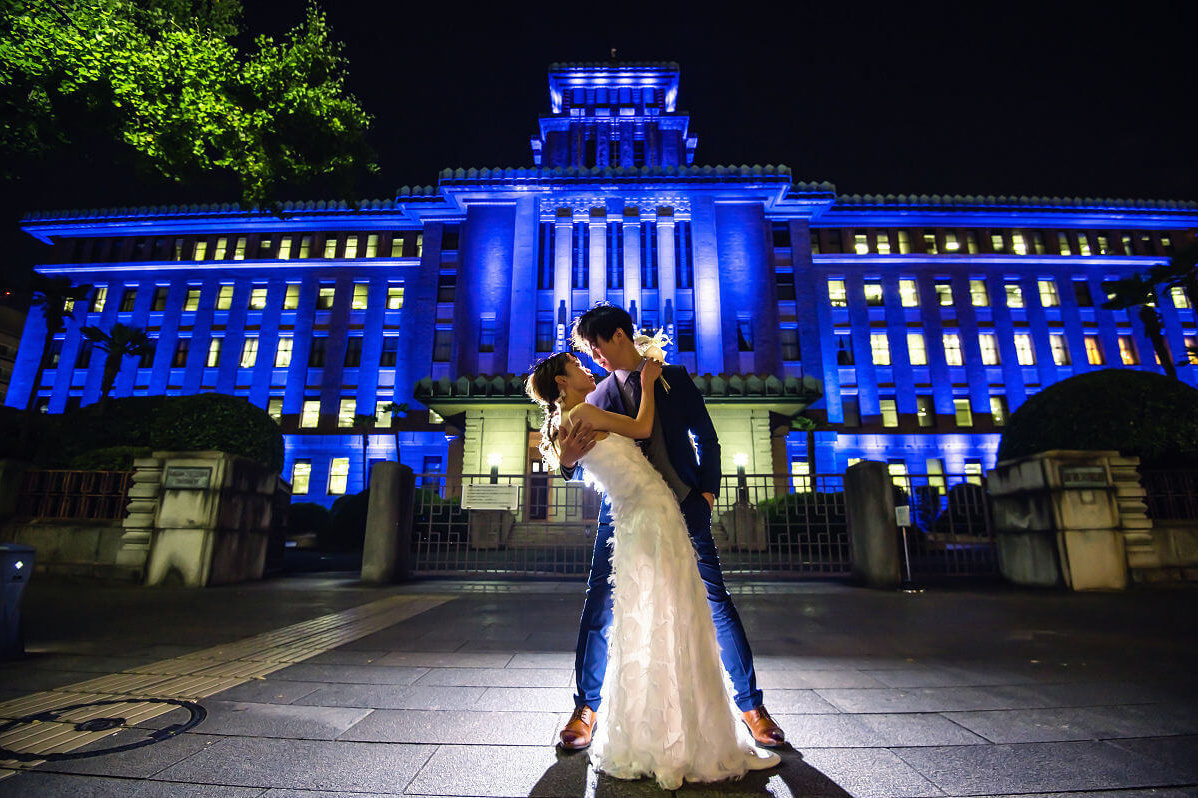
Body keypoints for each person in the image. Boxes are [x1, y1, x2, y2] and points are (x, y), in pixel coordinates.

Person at [526, 349, 780, 789]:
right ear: (563, 383)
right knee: (618, 607)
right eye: (581, 361)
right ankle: (592, 709)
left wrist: (706, 493)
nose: (592, 362)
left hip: (676, 501)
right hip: (635, 511)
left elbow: (706, 437)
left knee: (704, 603)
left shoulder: (670, 378)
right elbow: (576, 455)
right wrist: (567, 460)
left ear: (616, 337)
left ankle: (748, 707)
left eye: (594, 350)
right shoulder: (594, 397)